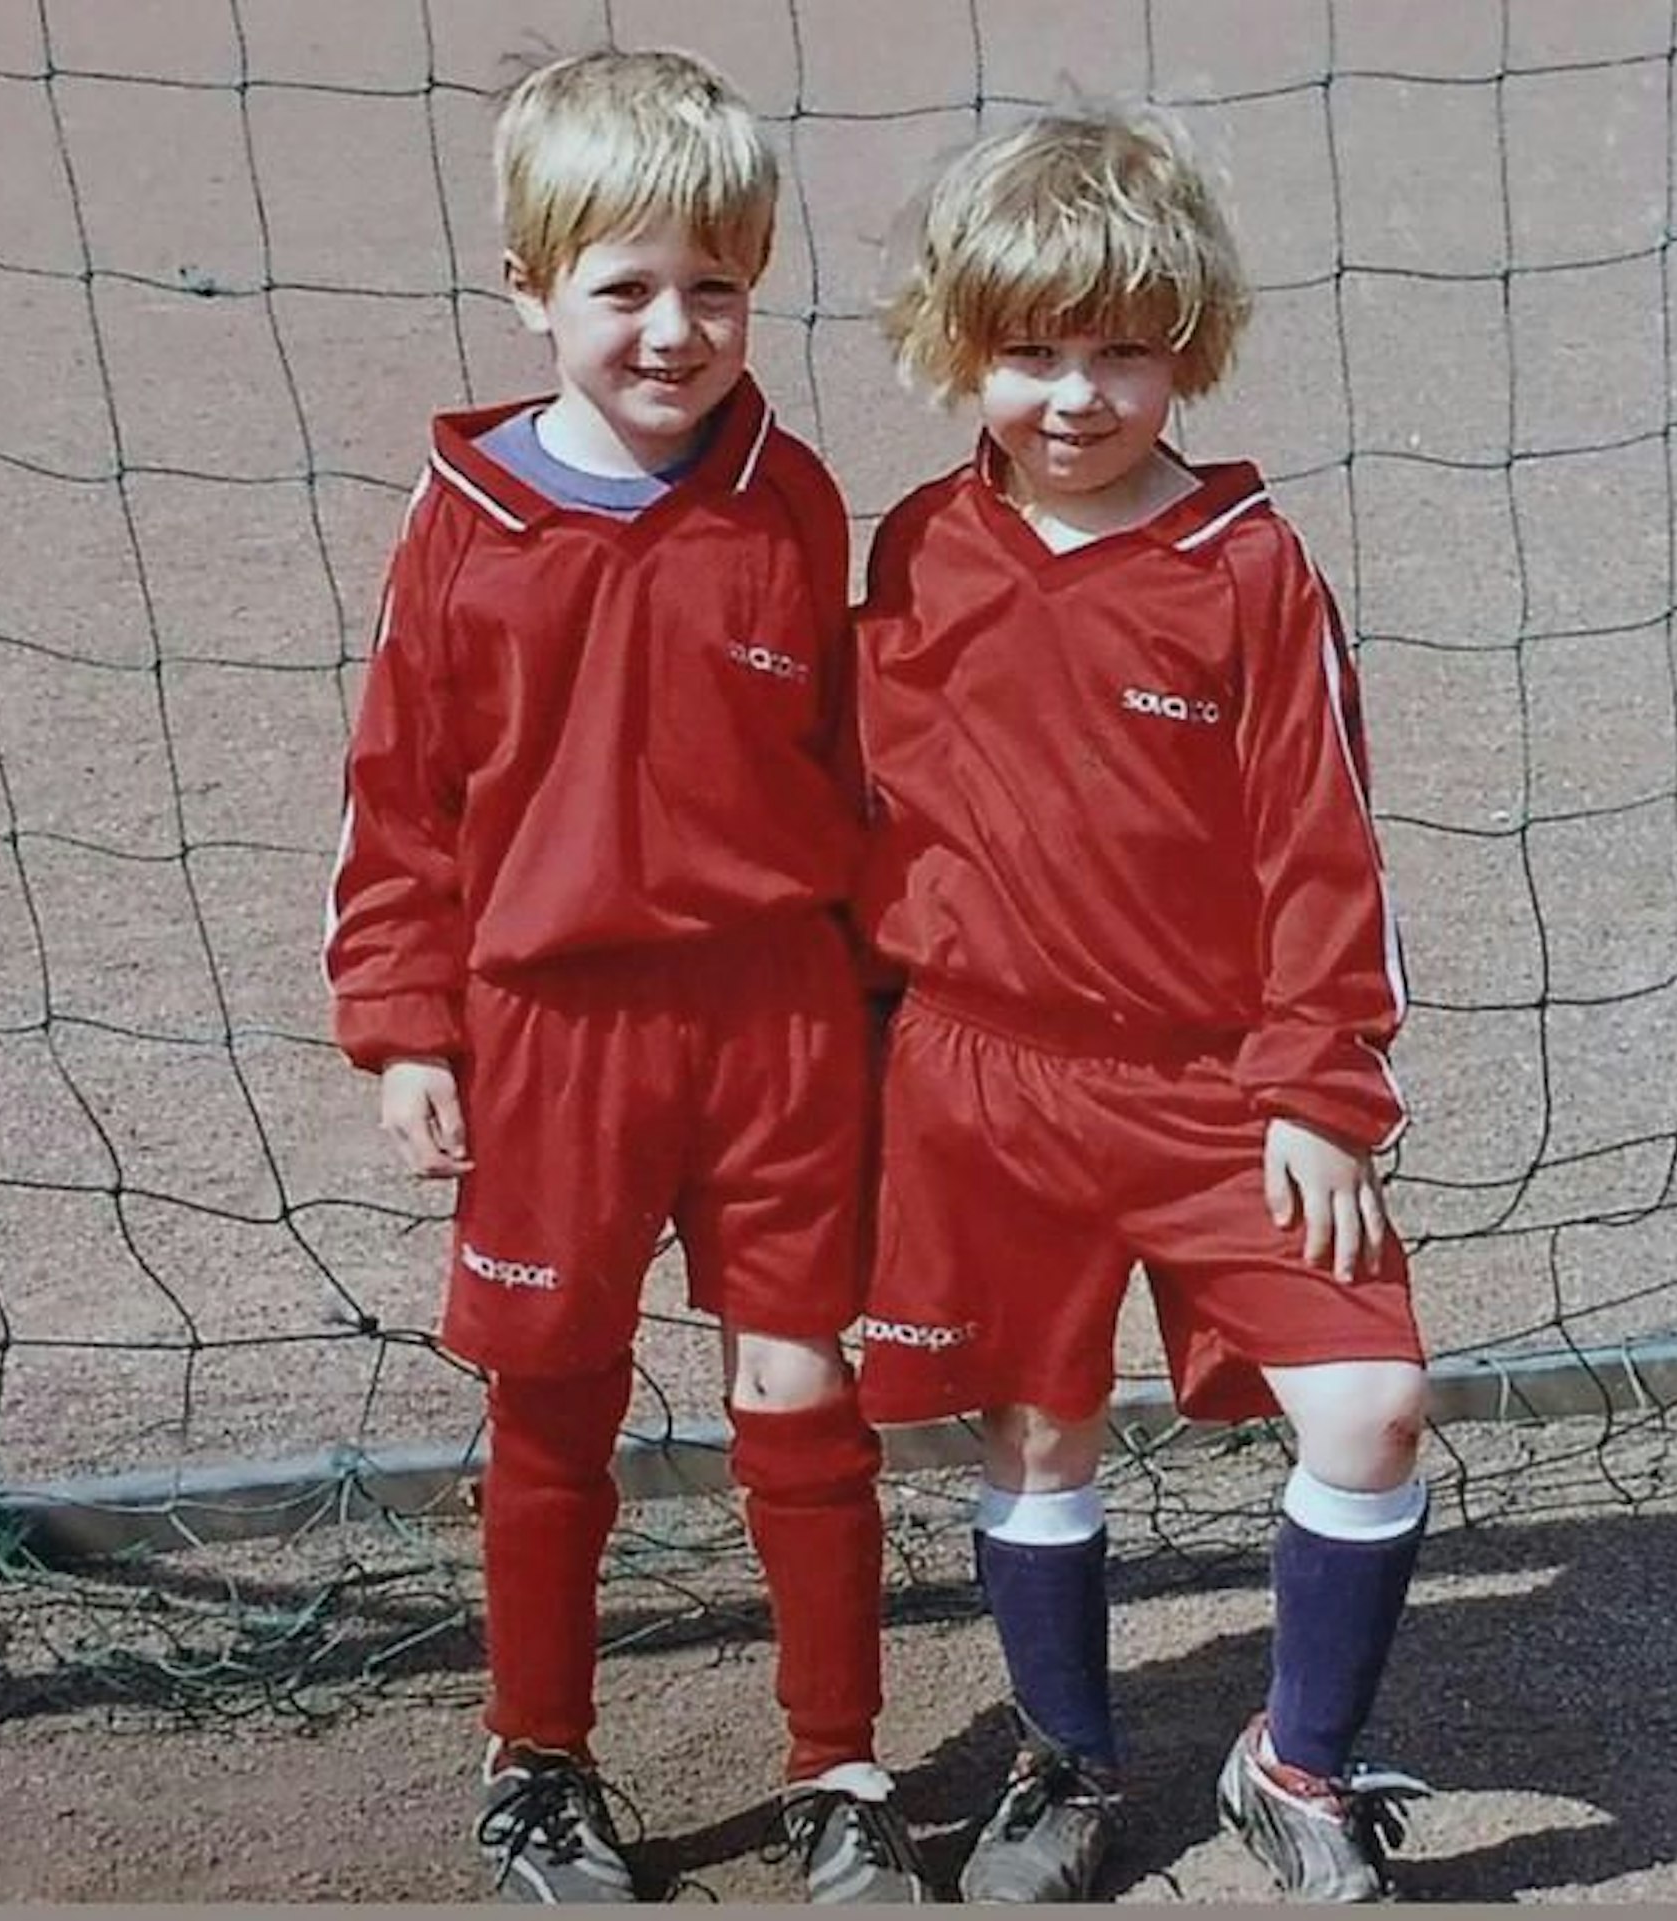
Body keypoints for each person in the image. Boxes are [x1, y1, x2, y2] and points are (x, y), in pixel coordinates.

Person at [322, 46, 927, 1907]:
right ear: (530, 288)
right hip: (553, 1038)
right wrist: (405, 1021)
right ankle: (541, 1760)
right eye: (627, 288)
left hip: (778, 1025)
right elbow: (400, 791)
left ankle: (839, 1760)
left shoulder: (793, 497)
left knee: (805, 1390)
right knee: (555, 1404)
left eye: (717, 288)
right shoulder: (468, 526)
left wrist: (896, 985)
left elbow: (854, 766)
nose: (675, 330)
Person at [852, 102, 1433, 1903]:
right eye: (1032, 351)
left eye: (1123, 349)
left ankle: (1298, 1762)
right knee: (1036, 1432)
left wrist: (1322, 1083)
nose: (1078, 395)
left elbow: (1321, 843)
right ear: (965, 346)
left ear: (1190, 347)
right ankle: (1069, 1761)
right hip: (979, 1080)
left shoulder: (1251, 572)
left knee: (1375, 1403)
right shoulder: (917, 548)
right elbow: (863, 811)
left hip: (1217, 1089)